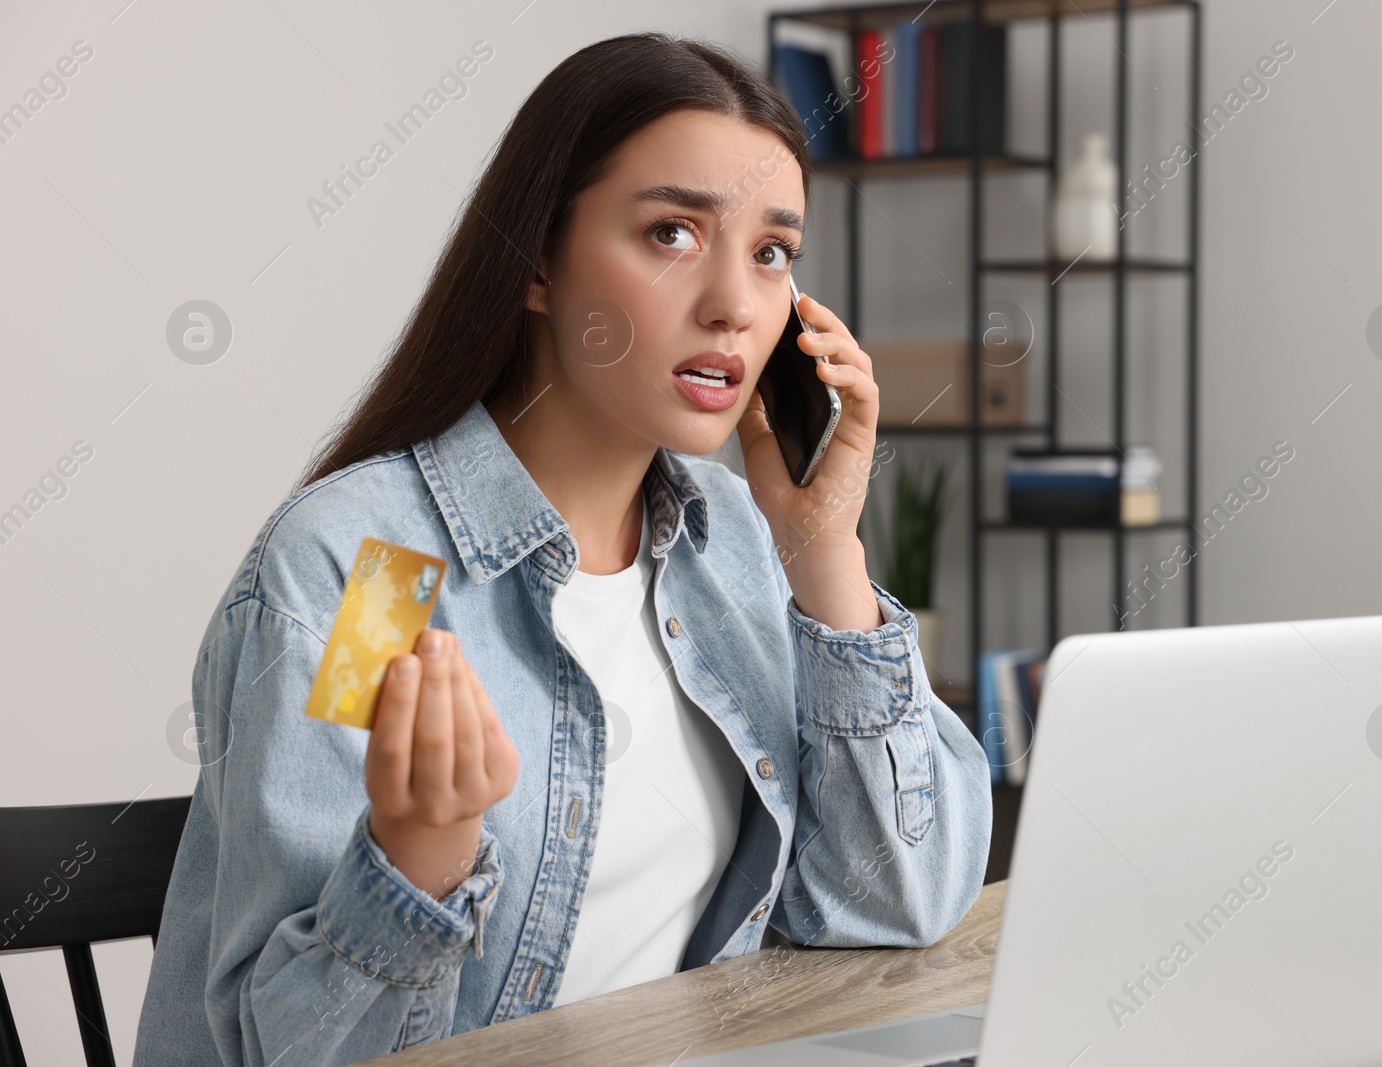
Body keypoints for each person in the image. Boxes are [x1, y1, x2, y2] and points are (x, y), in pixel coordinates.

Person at [133, 30, 992, 1066]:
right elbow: (286, 1050)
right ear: (538, 261)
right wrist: (419, 863)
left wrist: (827, 564)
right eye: (672, 232)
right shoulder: (378, 570)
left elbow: (895, 903)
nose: (733, 302)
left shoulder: (734, 547)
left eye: (771, 252)